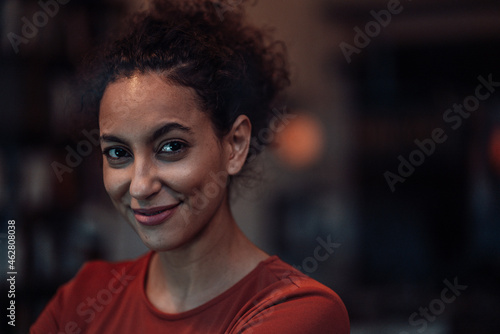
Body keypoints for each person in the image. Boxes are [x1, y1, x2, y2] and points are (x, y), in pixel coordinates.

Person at [30, 0, 350, 332]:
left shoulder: (297, 309)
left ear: (235, 145)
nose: (140, 186)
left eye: (171, 147)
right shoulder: (83, 298)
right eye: (118, 153)